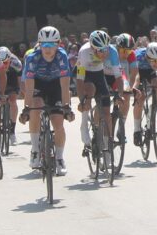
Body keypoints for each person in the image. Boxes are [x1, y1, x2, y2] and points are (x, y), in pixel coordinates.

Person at [21, 27, 74, 174]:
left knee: (58, 122)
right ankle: (35, 150)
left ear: (58, 44)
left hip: (56, 85)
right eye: (44, 45)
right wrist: (26, 108)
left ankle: (59, 158)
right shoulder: (32, 58)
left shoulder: (62, 57)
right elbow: (29, 87)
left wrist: (66, 107)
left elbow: (64, 85)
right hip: (38, 84)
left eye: (51, 45)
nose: (48, 49)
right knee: (35, 108)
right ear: (39, 44)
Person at [76, 30, 121, 158]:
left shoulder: (112, 51)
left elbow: (118, 76)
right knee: (89, 90)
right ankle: (84, 124)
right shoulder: (84, 52)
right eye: (100, 50)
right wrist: (82, 101)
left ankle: (107, 146)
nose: (104, 53)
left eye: (105, 49)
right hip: (86, 75)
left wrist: (120, 94)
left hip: (99, 74)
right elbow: (79, 79)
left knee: (107, 113)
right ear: (92, 47)